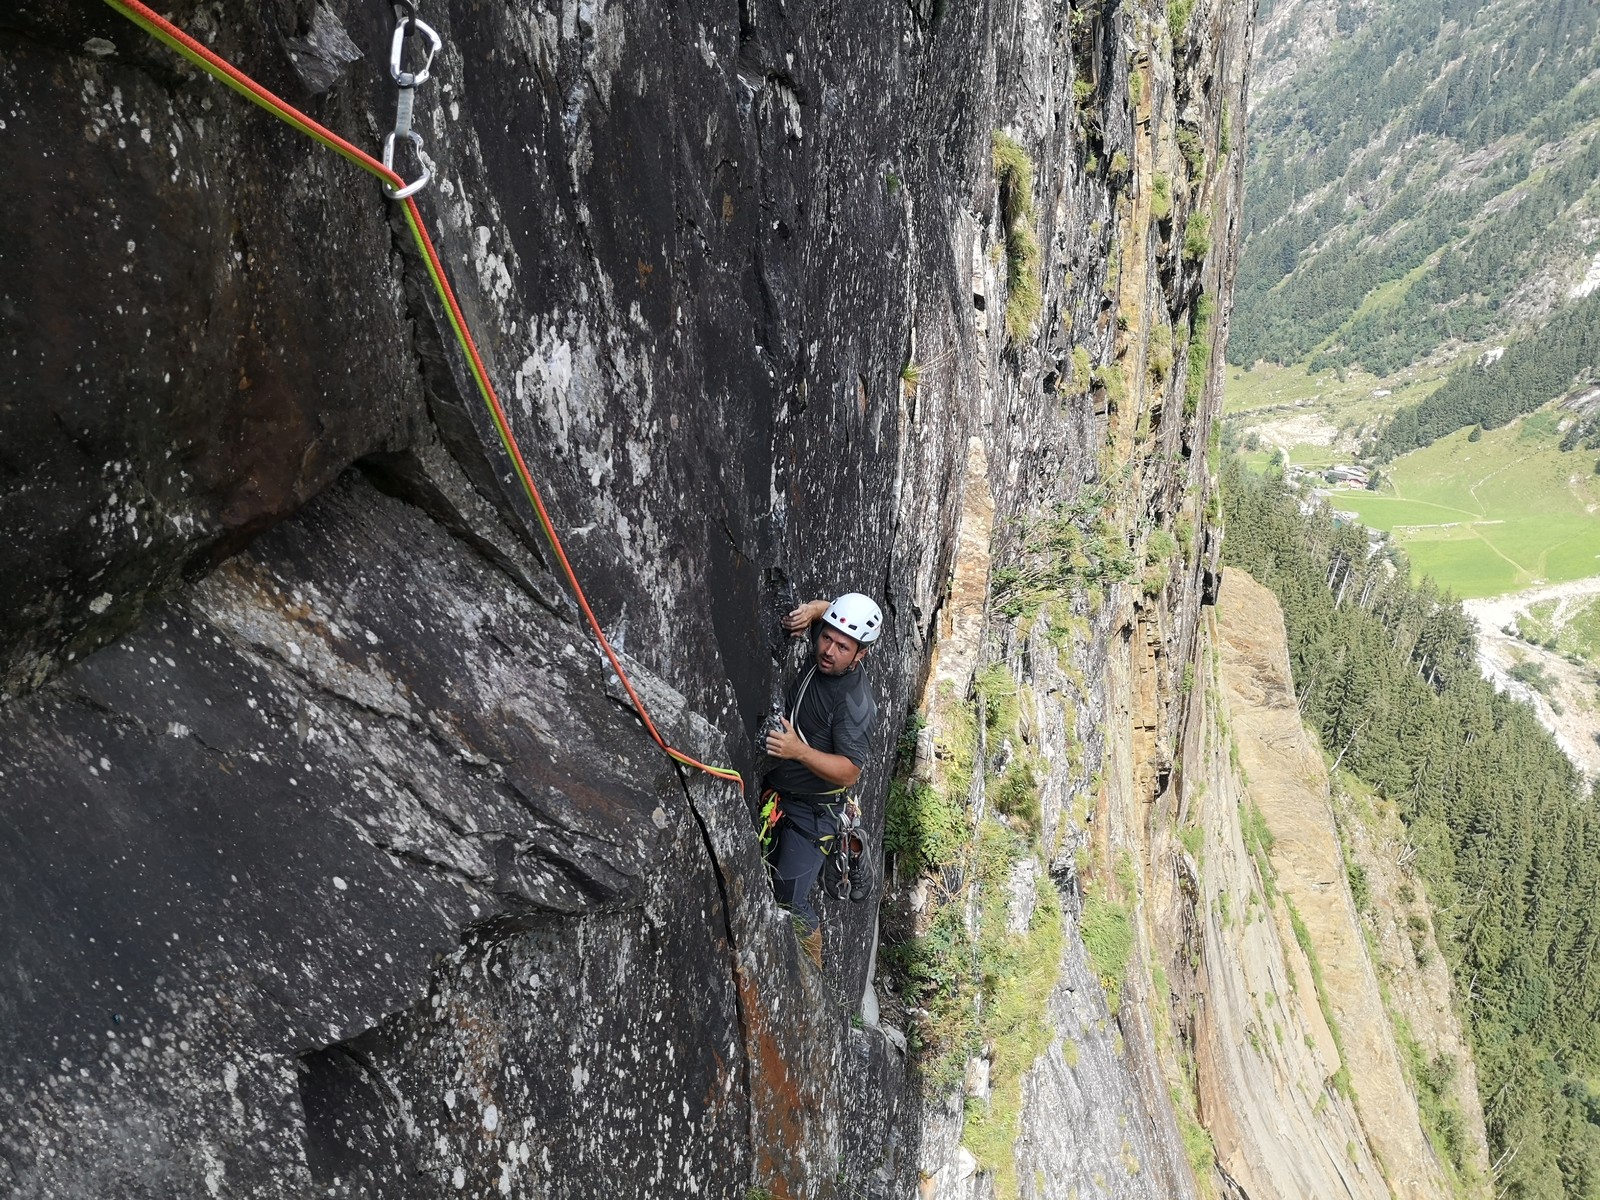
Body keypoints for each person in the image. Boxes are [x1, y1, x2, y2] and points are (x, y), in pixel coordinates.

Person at [759, 592, 881, 969]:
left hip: (813, 813)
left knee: (791, 901)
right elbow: (834, 616)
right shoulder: (831, 640)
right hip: (782, 789)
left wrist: (798, 751)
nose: (828, 650)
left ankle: (812, 978)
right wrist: (815, 611)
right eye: (826, 637)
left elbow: (850, 771)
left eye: (842, 647)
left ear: (860, 655)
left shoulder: (853, 704)